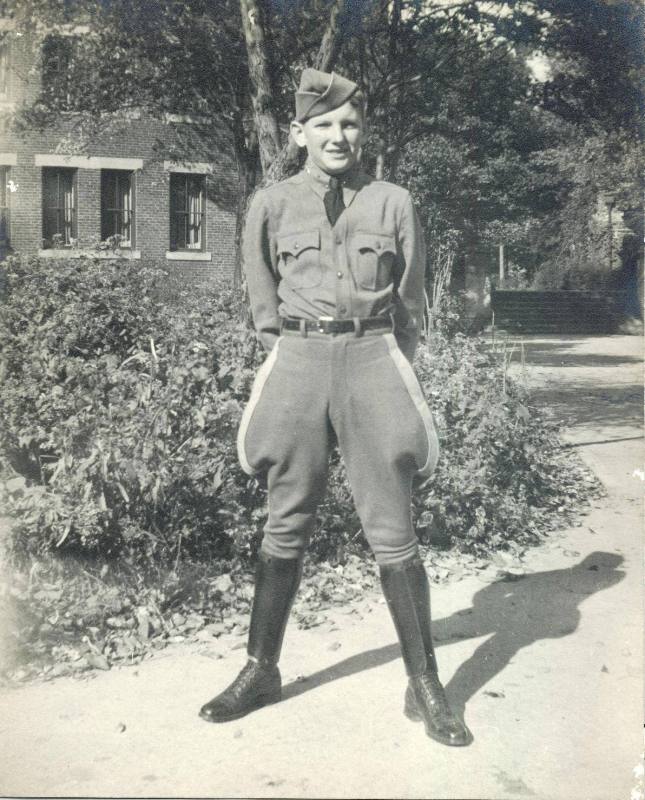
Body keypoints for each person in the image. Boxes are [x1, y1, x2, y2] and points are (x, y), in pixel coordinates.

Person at [199, 68, 472, 747]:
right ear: (299, 133)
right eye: (323, 125)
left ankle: (424, 685)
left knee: (393, 527)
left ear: (363, 131)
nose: (337, 135)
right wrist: (293, 357)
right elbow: (262, 301)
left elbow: (409, 303)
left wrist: (386, 363)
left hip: (374, 355)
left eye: (348, 123)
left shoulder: (392, 202)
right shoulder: (270, 203)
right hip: (297, 359)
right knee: (283, 520)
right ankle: (261, 669)